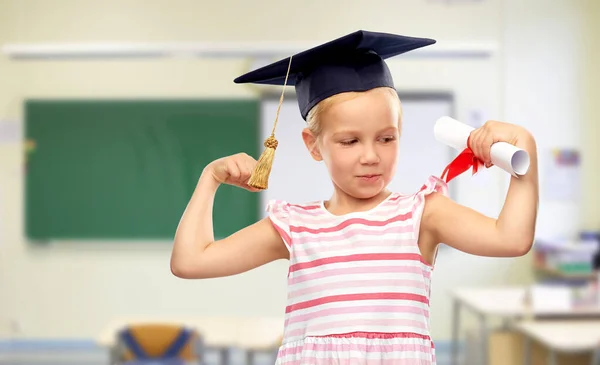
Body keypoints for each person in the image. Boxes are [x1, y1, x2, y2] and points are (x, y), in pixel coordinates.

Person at [170, 30, 539, 364]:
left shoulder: (422, 214)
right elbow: (191, 262)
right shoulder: (295, 226)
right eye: (350, 141)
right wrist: (210, 178)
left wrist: (525, 148)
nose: (371, 155)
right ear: (314, 145)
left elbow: (512, 238)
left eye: (386, 137)